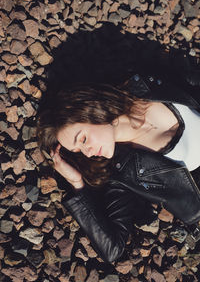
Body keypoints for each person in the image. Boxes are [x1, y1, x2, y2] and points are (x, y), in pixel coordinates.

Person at [37, 72, 200, 263]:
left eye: (83, 139)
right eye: (79, 150)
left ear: (92, 110)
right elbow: (113, 248)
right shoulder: (123, 175)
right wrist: (76, 183)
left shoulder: (143, 85)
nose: (88, 153)